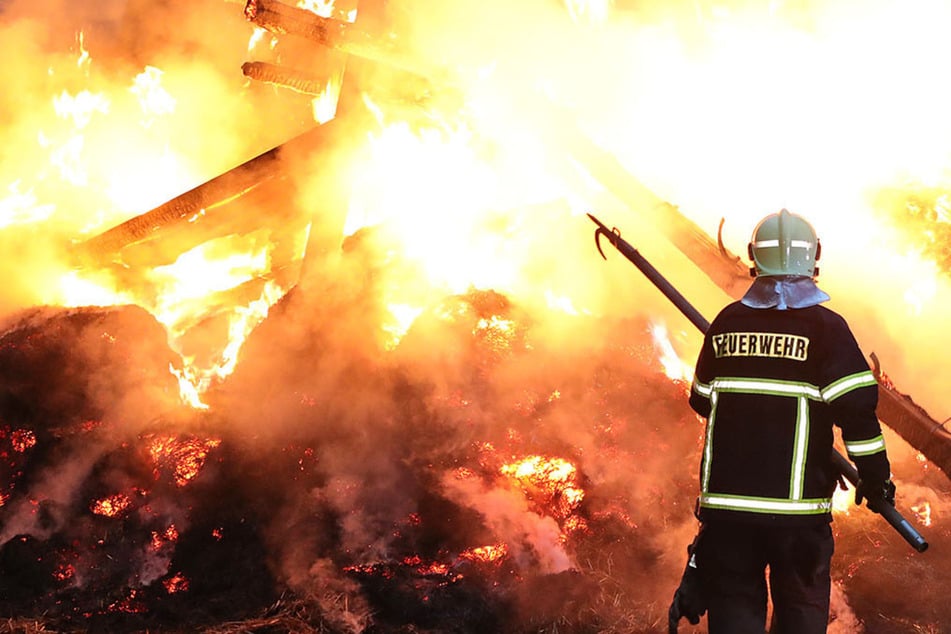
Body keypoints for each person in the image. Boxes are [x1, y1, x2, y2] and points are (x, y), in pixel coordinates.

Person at [668, 209, 895, 634]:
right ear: (814, 256)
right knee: (800, 617)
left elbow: (701, 400)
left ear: (754, 256)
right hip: (798, 519)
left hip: (728, 517)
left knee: (734, 619)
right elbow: (859, 417)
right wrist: (876, 478)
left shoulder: (726, 323)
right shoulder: (827, 330)